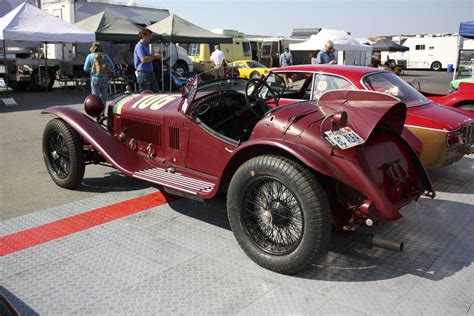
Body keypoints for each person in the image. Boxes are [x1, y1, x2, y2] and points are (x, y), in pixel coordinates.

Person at [83, 41, 115, 108]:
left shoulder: (90, 56)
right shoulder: (106, 56)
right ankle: (102, 113)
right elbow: (112, 66)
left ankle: (97, 113)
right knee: (104, 97)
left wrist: (92, 70)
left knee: (95, 97)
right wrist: (106, 69)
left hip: (95, 78)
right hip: (105, 78)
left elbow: (85, 68)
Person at [134, 28, 161, 92]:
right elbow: (143, 59)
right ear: (143, 36)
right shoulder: (140, 46)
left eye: (150, 36)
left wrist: (154, 56)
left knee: (156, 93)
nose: (150, 37)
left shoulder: (145, 46)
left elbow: (148, 57)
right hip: (144, 74)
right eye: (148, 36)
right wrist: (154, 56)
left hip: (149, 73)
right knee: (145, 94)